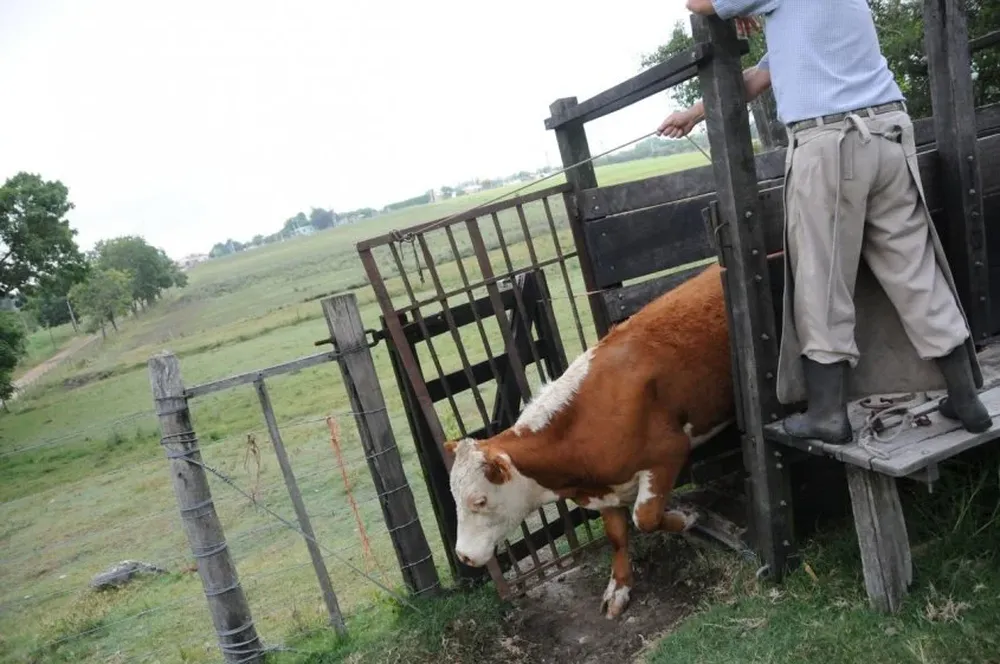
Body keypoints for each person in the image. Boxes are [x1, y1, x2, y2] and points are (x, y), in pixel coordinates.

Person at [657, 0, 991, 444]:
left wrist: (724, 9)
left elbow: (697, 3)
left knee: (821, 280)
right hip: (887, 135)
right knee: (915, 271)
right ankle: (966, 397)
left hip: (829, 142)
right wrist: (693, 113)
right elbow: (760, 76)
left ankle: (828, 415)